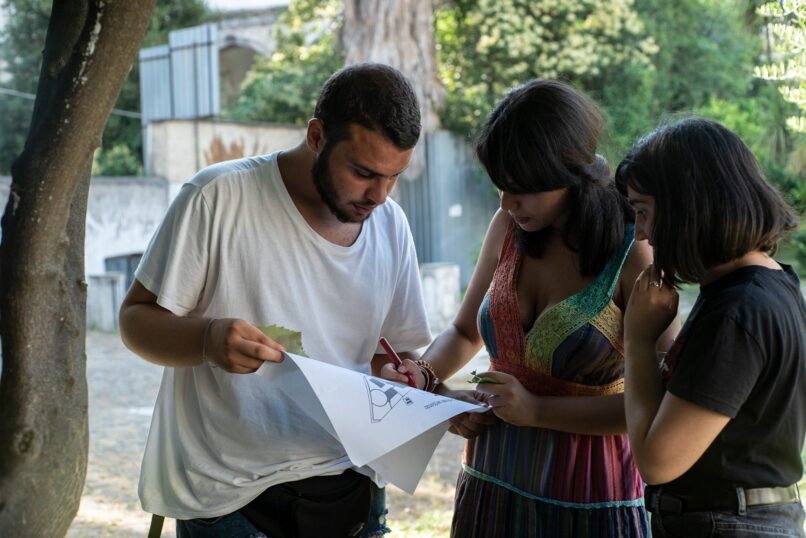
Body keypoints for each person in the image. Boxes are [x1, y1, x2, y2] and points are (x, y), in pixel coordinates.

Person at [118, 63, 432, 538]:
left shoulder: (392, 224)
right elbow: (134, 320)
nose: (380, 196)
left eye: (395, 177)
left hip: (354, 490)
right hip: (229, 500)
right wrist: (206, 339)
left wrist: (402, 374)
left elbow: (394, 351)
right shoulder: (217, 196)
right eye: (363, 173)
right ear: (316, 136)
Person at [384, 79, 675, 537]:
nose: (506, 202)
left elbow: (659, 399)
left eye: (522, 189)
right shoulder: (508, 227)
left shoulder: (631, 249)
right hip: (490, 477)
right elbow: (464, 332)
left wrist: (537, 409)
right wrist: (425, 376)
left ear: (570, 170)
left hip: (589, 493)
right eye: (501, 186)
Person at [617, 117, 806, 537]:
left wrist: (639, 339)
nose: (642, 234)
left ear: (689, 206)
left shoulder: (737, 312)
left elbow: (657, 462)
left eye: (644, 212)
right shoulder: (766, 285)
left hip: (731, 523)